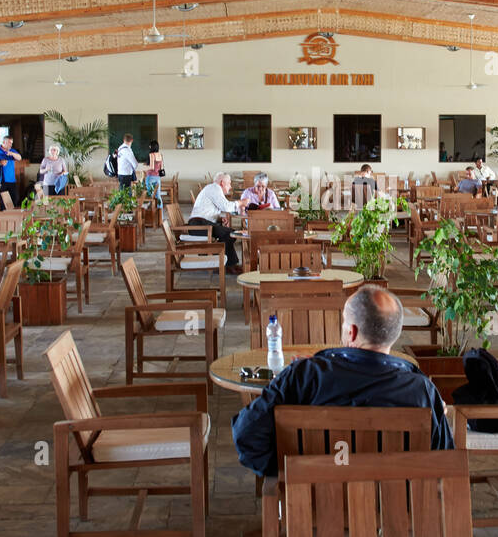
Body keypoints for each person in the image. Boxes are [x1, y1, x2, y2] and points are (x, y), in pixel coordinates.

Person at [230, 285, 453, 476]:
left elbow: (246, 434)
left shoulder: (306, 375)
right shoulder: (422, 389)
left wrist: (290, 470)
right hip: (394, 512)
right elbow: (442, 462)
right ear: (395, 333)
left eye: (344, 323)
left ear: (352, 332)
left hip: (311, 499)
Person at [190, 172, 248, 272]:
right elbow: (226, 206)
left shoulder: (212, 188)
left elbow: (208, 211)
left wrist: (219, 219)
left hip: (200, 224)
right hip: (198, 226)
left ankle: (227, 264)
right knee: (230, 234)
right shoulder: (215, 188)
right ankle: (224, 265)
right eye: (229, 183)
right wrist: (241, 202)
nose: (230, 187)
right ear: (222, 183)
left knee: (229, 233)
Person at [0, 135, 23, 206]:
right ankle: (3, 216)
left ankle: (13, 216)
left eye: (11, 143)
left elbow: (19, 158)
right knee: (4, 202)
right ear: (4, 142)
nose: (11, 144)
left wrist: (12, 153)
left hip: (11, 179)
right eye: (9, 142)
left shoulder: (12, 150)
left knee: (15, 199)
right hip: (0, 180)